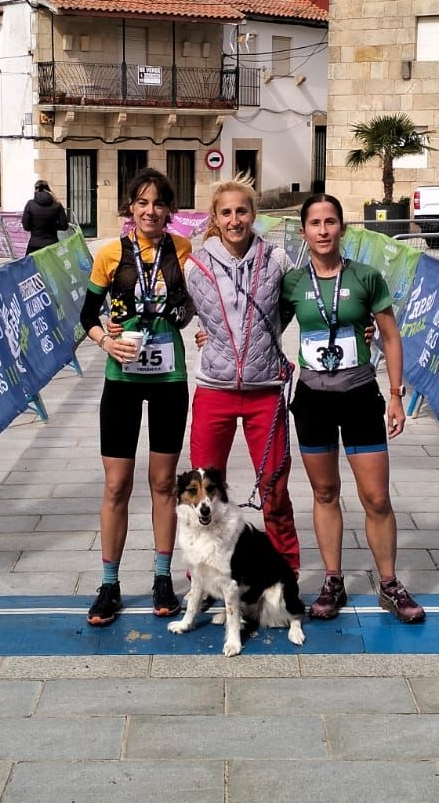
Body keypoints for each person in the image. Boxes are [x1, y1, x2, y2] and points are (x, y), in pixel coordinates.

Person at [279, 193, 425, 624]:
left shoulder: (366, 277)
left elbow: (391, 336)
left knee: (376, 497)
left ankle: (390, 583)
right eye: (314, 223)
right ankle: (332, 580)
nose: (323, 230)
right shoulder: (292, 283)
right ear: (304, 232)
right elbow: (261, 326)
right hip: (313, 398)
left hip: (361, 394)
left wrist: (396, 394)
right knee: (325, 493)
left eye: (330, 222)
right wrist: (211, 337)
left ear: (342, 228)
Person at [78, 168, 194, 626]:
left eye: (158, 203)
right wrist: (105, 341)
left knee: (163, 485)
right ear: (131, 208)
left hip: (169, 379)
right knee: (116, 485)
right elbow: (87, 313)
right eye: (142, 203)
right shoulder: (110, 254)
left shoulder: (183, 251)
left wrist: (193, 322)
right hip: (121, 379)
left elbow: (189, 308)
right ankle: (109, 584)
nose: (150, 211)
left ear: (169, 210)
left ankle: (162, 578)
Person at [183, 174, 300, 573]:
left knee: (274, 488)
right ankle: (205, 571)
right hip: (214, 389)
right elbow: (177, 311)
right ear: (215, 218)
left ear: (253, 214)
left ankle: (286, 571)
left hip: (265, 390)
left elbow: (298, 306)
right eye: (226, 212)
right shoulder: (194, 265)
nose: (235, 219)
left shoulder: (277, 259)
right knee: (203, 494)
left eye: (242, 211)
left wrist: (363, 329)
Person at [22, 179, 69, 255]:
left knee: (32, 266)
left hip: (34, 244)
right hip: (52, 244)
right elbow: (64, 226)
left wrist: (35, 227)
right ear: (48, 188)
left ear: (36, 189)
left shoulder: (30, 204)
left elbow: (26, 226)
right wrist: (53, 226)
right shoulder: (57, 205)